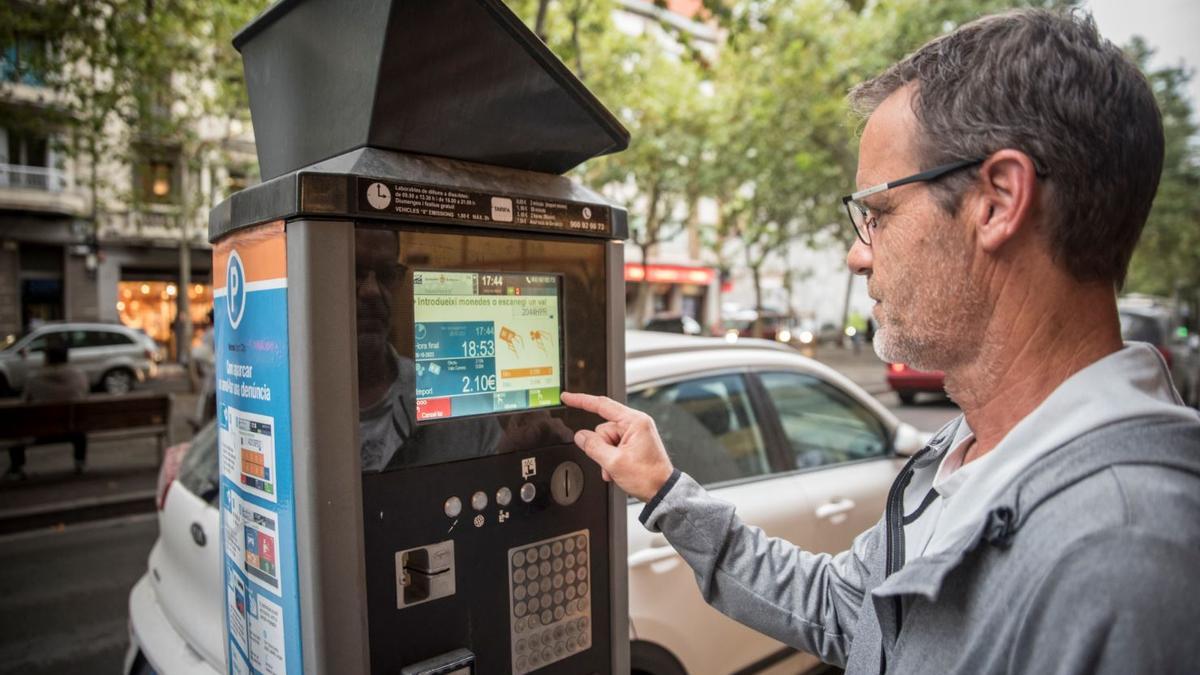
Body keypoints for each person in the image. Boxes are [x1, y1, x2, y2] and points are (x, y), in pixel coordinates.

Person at [564, 9, 1200, 674]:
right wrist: (667, 491)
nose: (855, 256)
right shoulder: (963, 458)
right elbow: (847, 610)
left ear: (998, 201)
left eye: (877, 214)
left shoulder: (1129, 561)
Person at [5, 333, 90, 479]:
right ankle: (79, 462)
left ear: (47, 358)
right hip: (72, 430)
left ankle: (16, 467)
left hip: (39, 433)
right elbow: (83, 396)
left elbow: (25, 403)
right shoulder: (79, 376)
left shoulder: (33, 379)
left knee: (15, 431)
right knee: (79, 430)